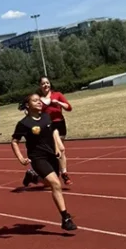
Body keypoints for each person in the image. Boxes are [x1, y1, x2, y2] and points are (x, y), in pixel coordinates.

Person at [11, 94, 77, 232]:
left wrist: (58, 146)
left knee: (50, 183)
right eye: (35, 101)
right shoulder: (24, 124)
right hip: (38, 158)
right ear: (28, 105)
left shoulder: (46, 117)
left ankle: (33, 177)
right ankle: (66, 218)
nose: (39, 102)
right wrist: (21, 159)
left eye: (40, 100)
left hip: (52, 155)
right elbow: (14, 141)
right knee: (56, 184)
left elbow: (54, 131)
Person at [38, 76, 72, 185]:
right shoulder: (39, 100)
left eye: (47, 83)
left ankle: (35, 175)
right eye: (43, 83)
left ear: (50, 84)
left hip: (60, 123)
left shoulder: (57, 95)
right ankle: (65, 174)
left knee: (58, 152)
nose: (45, 85)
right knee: (61, 149)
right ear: (40, 86)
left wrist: (59, 103)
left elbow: (69, 107)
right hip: (49, 126)